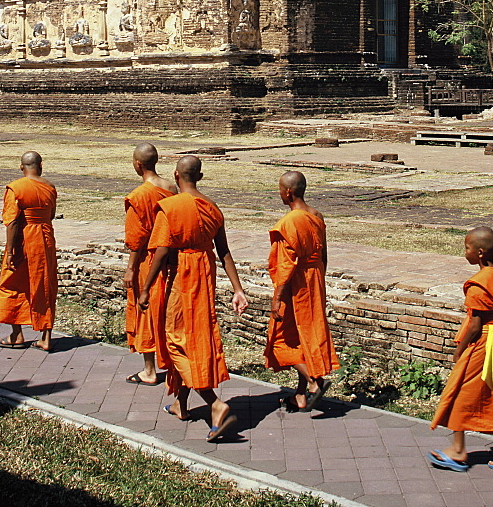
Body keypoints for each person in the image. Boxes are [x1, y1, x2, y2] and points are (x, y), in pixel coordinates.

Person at [138, 154, 248, 441]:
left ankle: (215, 404)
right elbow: (224, 252)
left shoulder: (171, 207)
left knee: (176, 341)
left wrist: (146, 288)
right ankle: (180, 404)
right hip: (204, 273)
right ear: (199, 177)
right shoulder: (212, 208)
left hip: (180, 277)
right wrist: (238, 289)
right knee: (194, 336)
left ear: (176, 176)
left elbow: (161, 251)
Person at [428, 226, 493, 476]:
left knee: (460, 390)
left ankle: (459, 451)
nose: (465, 252)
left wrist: (459, 351)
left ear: (480, 252)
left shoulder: (478, 284)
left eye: (467, 248)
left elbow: (475, 324)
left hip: (486, 342)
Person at [264, 170, 338, 411]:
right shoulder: (316, 215)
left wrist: (277, 299)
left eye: (279, 189)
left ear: (288, 192)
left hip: (295, 285)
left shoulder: (288, 223)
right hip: (315, 278)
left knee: (280, 340)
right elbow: (324, 256)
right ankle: (300, 395)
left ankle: (314, 382)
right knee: (305, 337)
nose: (278, 193)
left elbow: (286, 266)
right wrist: (319, 282)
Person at [122, 142, 176, 384]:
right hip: (171, 258)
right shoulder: (171, 188)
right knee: (166, 310)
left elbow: (136, 239)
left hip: (148, 260)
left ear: (137, 164)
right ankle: (172, 361)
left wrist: (130, 269)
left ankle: (149, 369)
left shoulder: (139, 196)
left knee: (146, 309)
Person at [0, 151, 57, 352]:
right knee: (45, 285)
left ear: (22, 167)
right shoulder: (49, 187)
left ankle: (16, 334)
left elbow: (12, 222)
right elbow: (51, 215)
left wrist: (11, 251)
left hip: (23, 240)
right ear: (41, 166)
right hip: (45, 240)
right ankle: (46, 337)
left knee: (11, 284)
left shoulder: (16, 188)